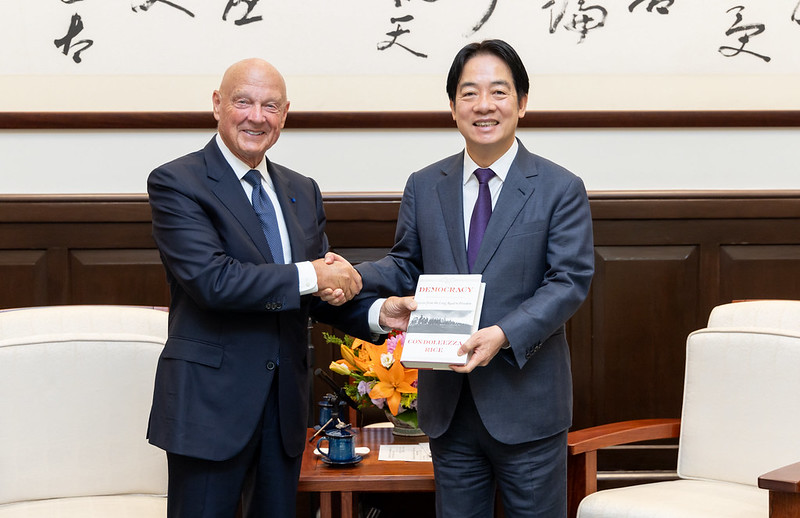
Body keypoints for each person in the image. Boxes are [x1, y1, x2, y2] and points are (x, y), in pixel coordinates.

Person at [356, 40, 595, 517]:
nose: (484, 105)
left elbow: (568, 281)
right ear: (453, 106)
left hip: (526, 403)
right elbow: (405, 265)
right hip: (449, 405)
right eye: (469, 93)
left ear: (522, 103)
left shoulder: (559, 187)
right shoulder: (425, 185)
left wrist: (504, 333)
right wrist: (352, 275)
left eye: (498, 92)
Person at [146, 58, 370, 518]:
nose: (256, 117)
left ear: (285, 114)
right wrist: (314, 274)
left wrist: (380, 313)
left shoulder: (302, 190)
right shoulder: (177, 182)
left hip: (284, 409)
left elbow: (314, 292)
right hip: (210, 407)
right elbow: (213, 281)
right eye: (243, 102)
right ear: (217, 105)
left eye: (270, 106)